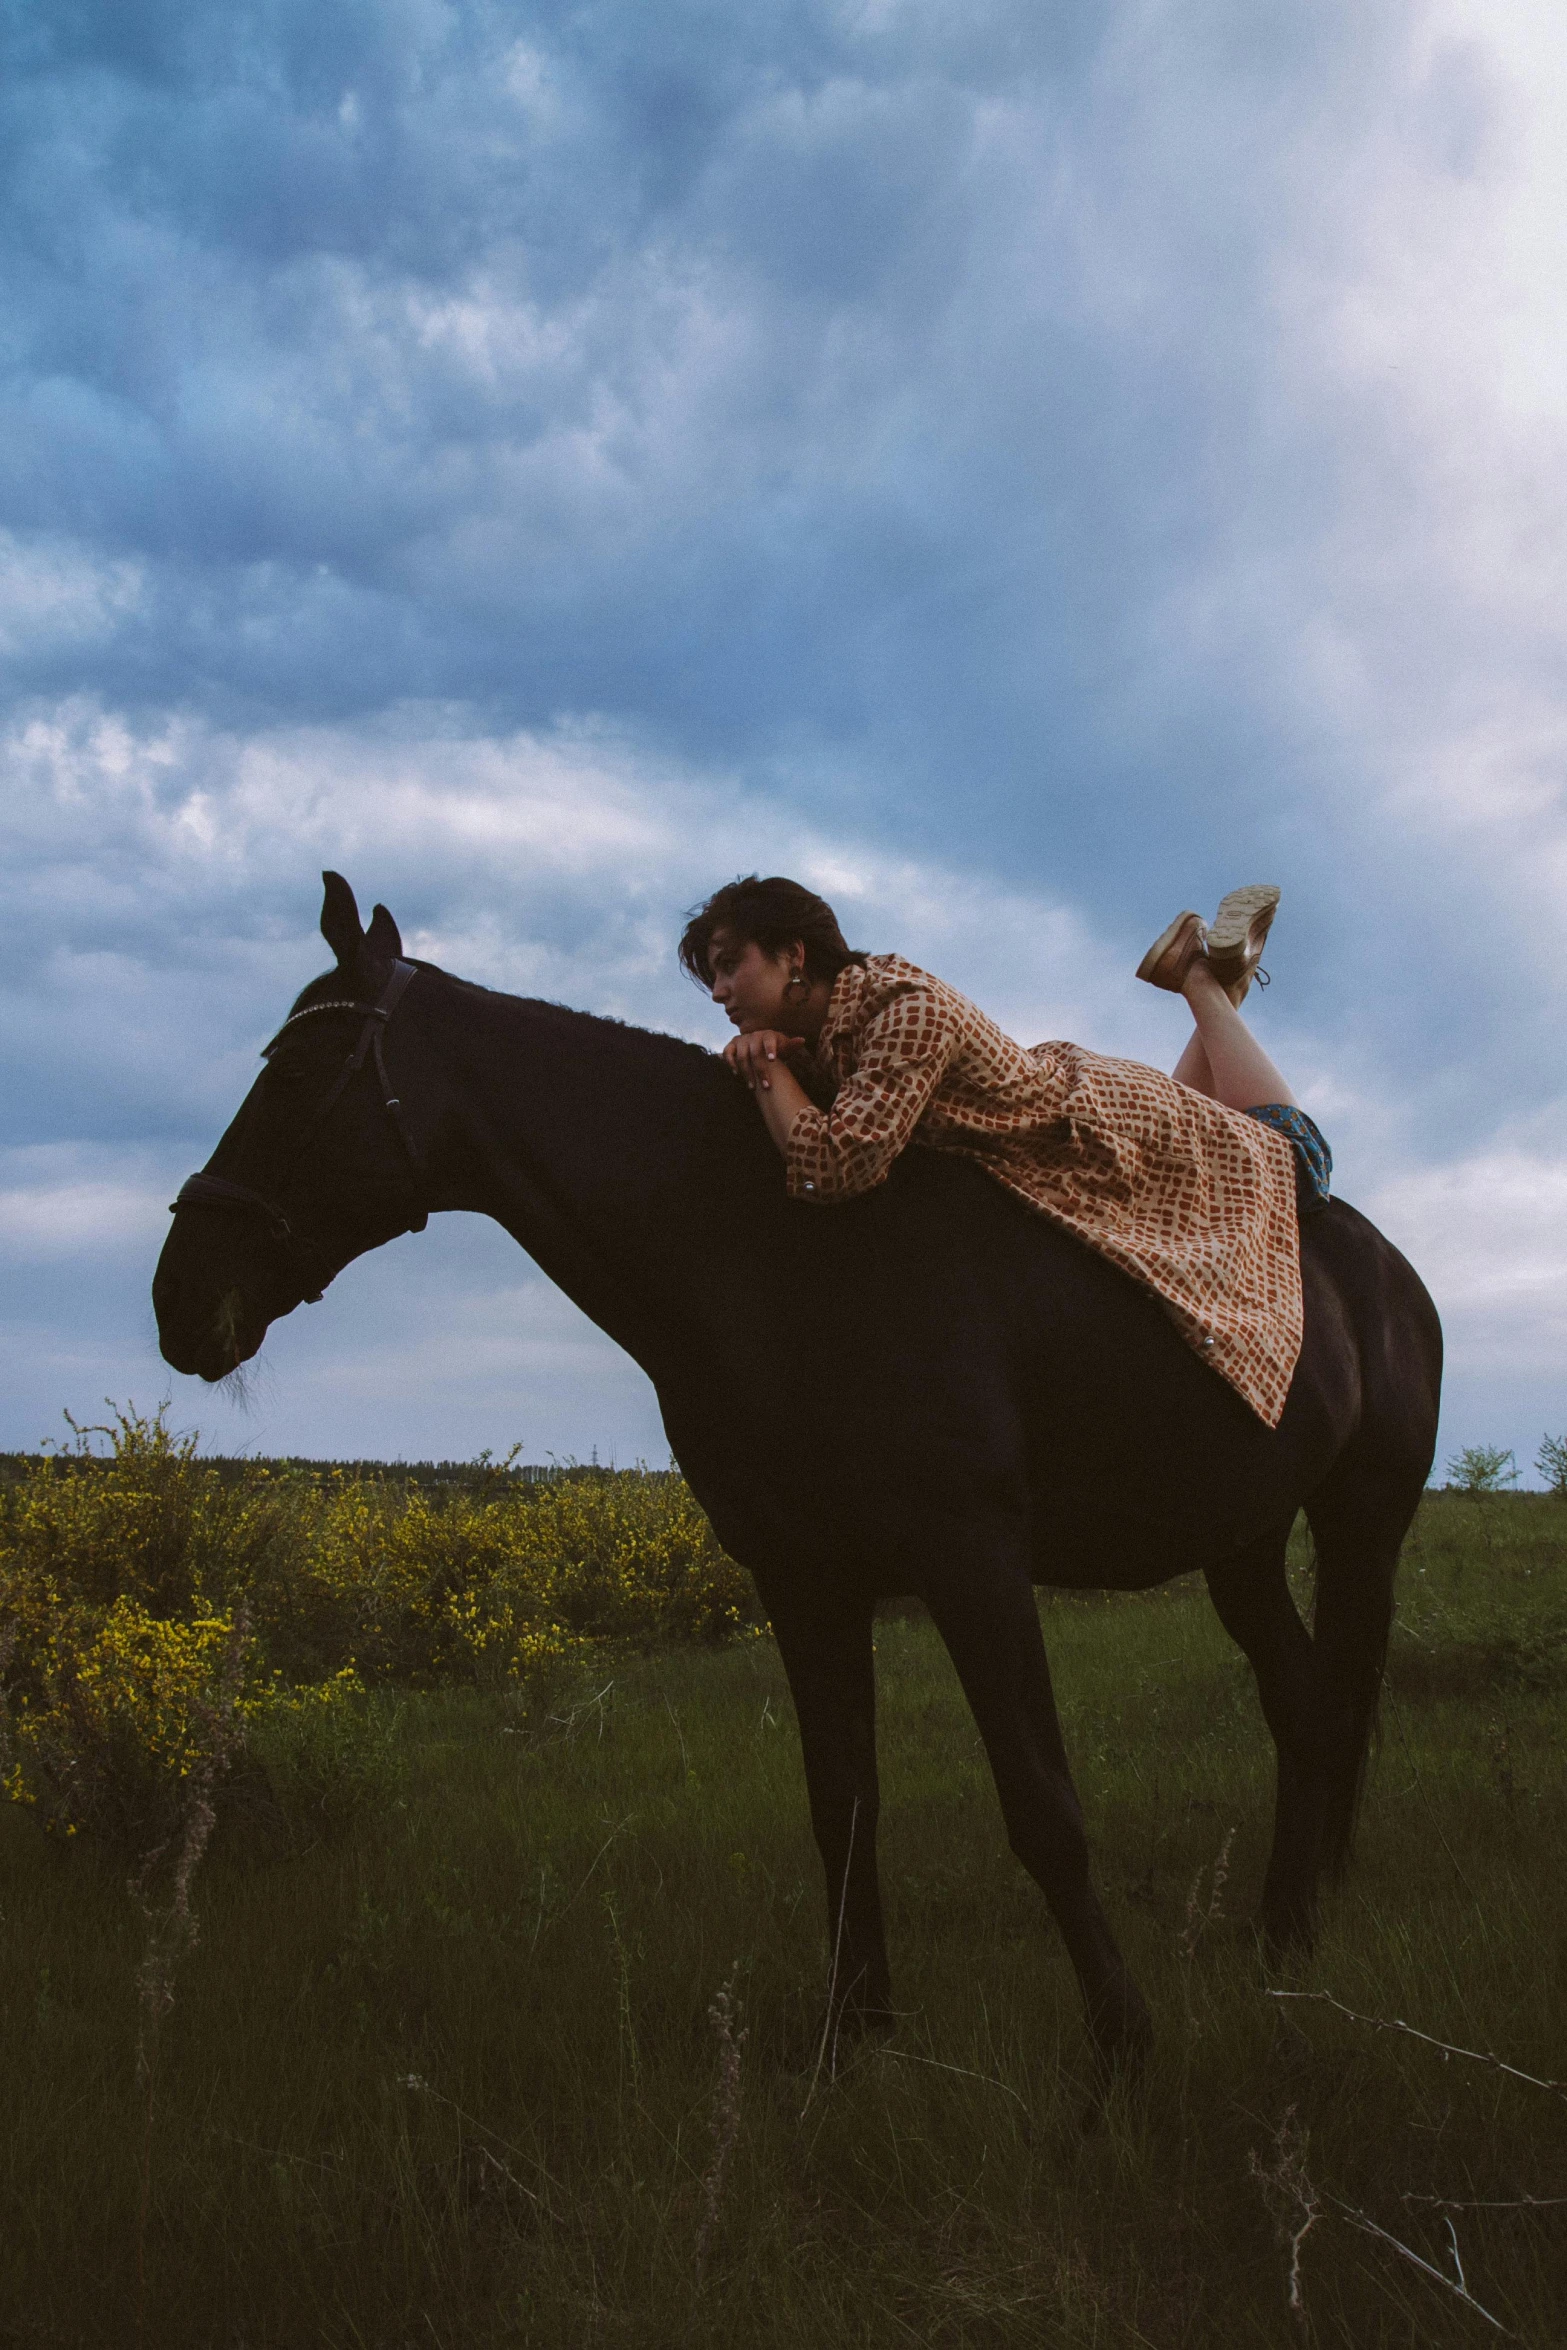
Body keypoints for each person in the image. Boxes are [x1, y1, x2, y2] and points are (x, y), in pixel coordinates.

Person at [678, 876, 1332, 1429]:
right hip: (1072, 1145)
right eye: (711, 975)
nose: (716, 992)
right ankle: (1220, 998)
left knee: (1296, 1160)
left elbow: (833, 1168)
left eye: (730, 965)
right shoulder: (825, 1037)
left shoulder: (902, 1008)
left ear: (793, 955)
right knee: (1215, 1124)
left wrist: (766, 1068)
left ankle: (1200, 981)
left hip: (1102, 1130)